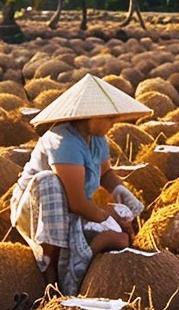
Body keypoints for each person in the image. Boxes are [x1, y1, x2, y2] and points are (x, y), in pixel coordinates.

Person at [10, 74, 151, 293]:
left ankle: (77, 264)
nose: (112, 123)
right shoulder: (62, 141)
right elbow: (76, 202)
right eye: (108, 118)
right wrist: (108, 217)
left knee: (121, 238)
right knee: (49, 182)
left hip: (70, 205)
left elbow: (105, 174)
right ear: (89, 116)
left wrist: (121, 191)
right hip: (36, 209)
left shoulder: (97, 139)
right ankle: (50, 272)